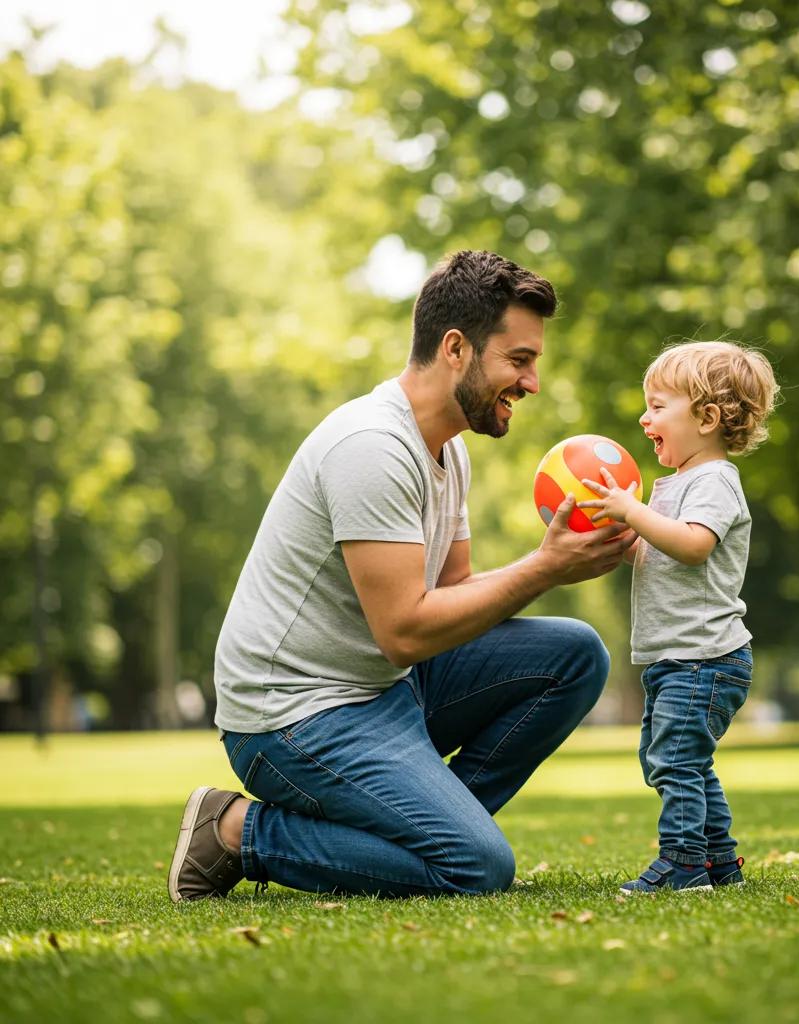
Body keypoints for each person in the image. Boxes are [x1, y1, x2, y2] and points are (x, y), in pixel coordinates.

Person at [168, 250, 635, 902]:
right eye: (519, 360)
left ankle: (427, 831)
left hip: (384, 692)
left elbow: (451, 602)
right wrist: (544, 569)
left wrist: (557, 563)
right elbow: (406, 633)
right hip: (295, 717)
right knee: (477, 868)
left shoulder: (449, 449)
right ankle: (237, 831)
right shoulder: (372, 447)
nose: (532, 382)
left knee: (575, 655)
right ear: (455, 348)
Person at [578, 340, 779, 893]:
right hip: (678, 658)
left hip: (705, 658)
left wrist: (635, 513)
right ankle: (720, 862)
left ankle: (684, 863)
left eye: (659, 406)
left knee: (674, 759)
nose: (645, 418)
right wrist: (631, 543)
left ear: (708, 417)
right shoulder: (677, 485)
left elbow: (693, 547)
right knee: (675, 758)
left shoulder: (715, 481)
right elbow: (671, 554)